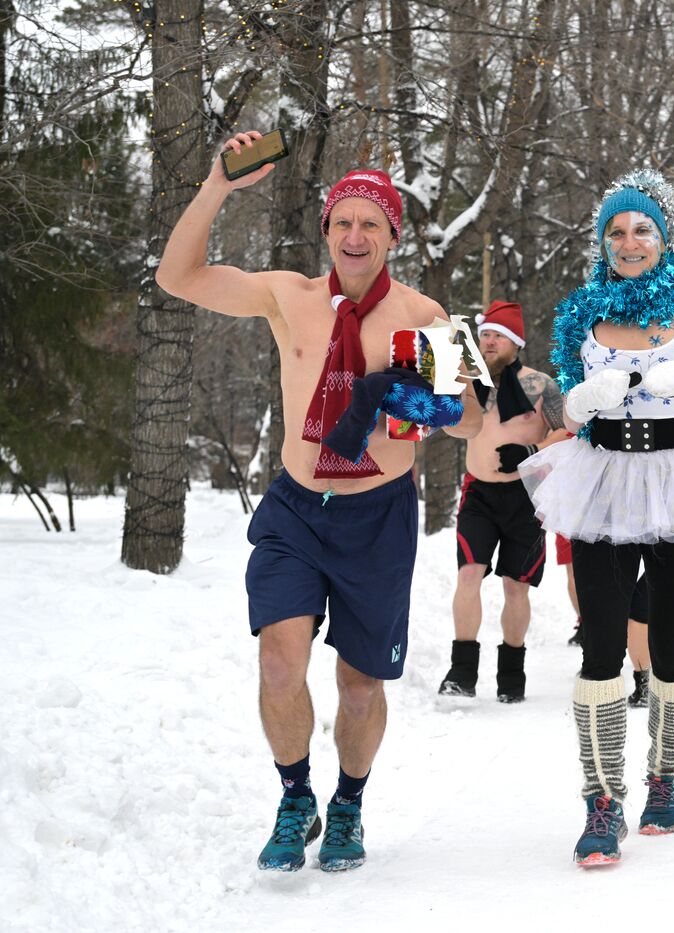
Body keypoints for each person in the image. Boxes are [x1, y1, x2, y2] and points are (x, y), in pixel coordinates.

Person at [155, 134, 483, 872]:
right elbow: (178, 276)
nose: (355, 236)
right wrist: (216, 186)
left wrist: (419, 399)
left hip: (378, 517)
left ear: (393, 234)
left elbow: (471, 421)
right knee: (278, 663)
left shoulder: (426, 314)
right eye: (343, 223)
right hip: (298, 509)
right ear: (326, 231)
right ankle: (296, 794)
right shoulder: (289, 296)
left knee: (359, 684)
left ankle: (349, 806)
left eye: (371, 223)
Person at [515, 169, 674, 865]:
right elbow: (556, 413)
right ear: (603, 243)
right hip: (602, 478)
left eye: (642, 230)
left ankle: (665, 773)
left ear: (664, 238)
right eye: (617, 232)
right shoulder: (583, 315)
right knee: (600, 642)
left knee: (668, 642)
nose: (630, 242)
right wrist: (575, 403)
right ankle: (601, 798)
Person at [439, 301, 569, 702]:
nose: (488, 340)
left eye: (497, 335)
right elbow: (448, 423)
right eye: (484, 335)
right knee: (468, 575)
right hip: (477, 492)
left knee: (516, 587)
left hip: (525, 497)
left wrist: (532, 448)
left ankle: (512, 674)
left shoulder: (540, 385)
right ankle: (462, 671)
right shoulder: (467, 382)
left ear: (515, 342)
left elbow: (569, 433)